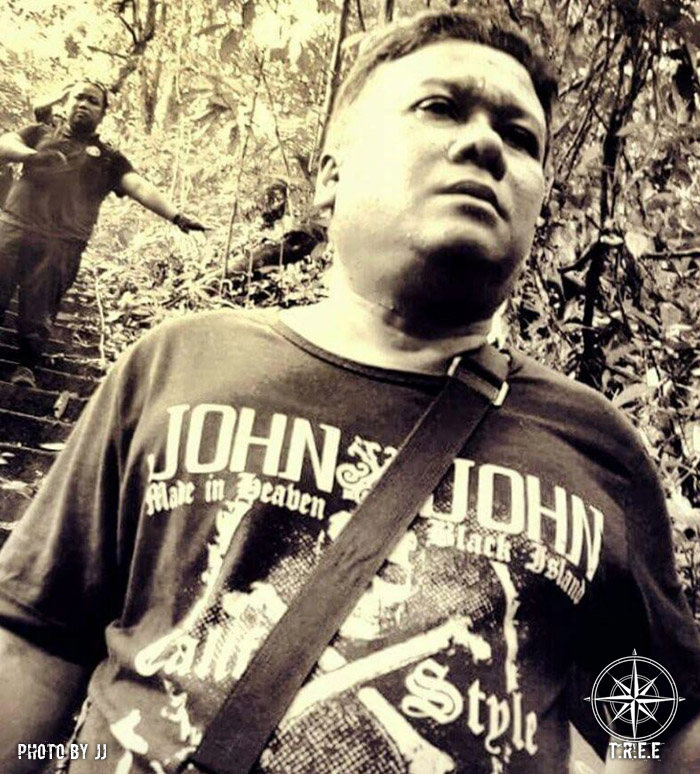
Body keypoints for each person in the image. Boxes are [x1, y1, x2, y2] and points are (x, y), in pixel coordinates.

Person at [0, 11, 699, 774]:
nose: (486, 145)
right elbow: (39, 641)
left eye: (520, 136)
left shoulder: (596, 448)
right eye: (440, 107)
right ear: (331, 177)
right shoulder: (180, 362)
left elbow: (652, 720)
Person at [0, 80, 206, 388]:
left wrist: (176, 216)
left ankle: (26, 367)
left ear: (103, 113)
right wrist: (32, 156)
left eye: (93, 101)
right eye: (79, 98)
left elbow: (138, 186)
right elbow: (5, 144)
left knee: (39, 307)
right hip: (14, 227)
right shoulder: (39, 133)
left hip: (62, 244)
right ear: (66, 103)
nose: (84, 104)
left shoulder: (109, 158)